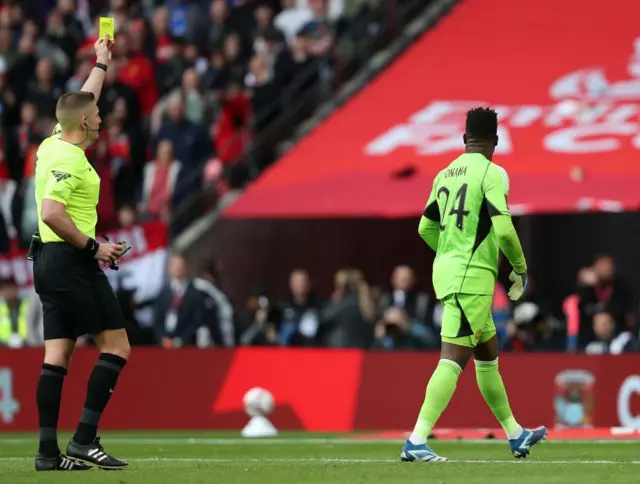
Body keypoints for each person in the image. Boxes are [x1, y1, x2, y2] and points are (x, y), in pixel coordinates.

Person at [401, 108, 547, 463]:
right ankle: (416, 440)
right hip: (473, 278)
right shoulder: (493, 173)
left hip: (451, 272)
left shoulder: (444, 174)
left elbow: (425, 228)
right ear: (495, 142)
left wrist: (451, 252)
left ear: (464, 139)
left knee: (487, 357)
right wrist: (520, 268)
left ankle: (515, 434)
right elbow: (503, 227)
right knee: (452, 359)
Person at [32, 36, 129, 472]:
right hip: (71, 263)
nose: (101, 115)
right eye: (96, 114)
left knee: (57, 357)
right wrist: (96, 247)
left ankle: (47, 455)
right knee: (117, 346)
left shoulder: (53, 141)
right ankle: (84, 439)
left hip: (48, 264)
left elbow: (83, 98)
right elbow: (52, 212)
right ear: (85, 123)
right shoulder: (69, 160)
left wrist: (101, 63)